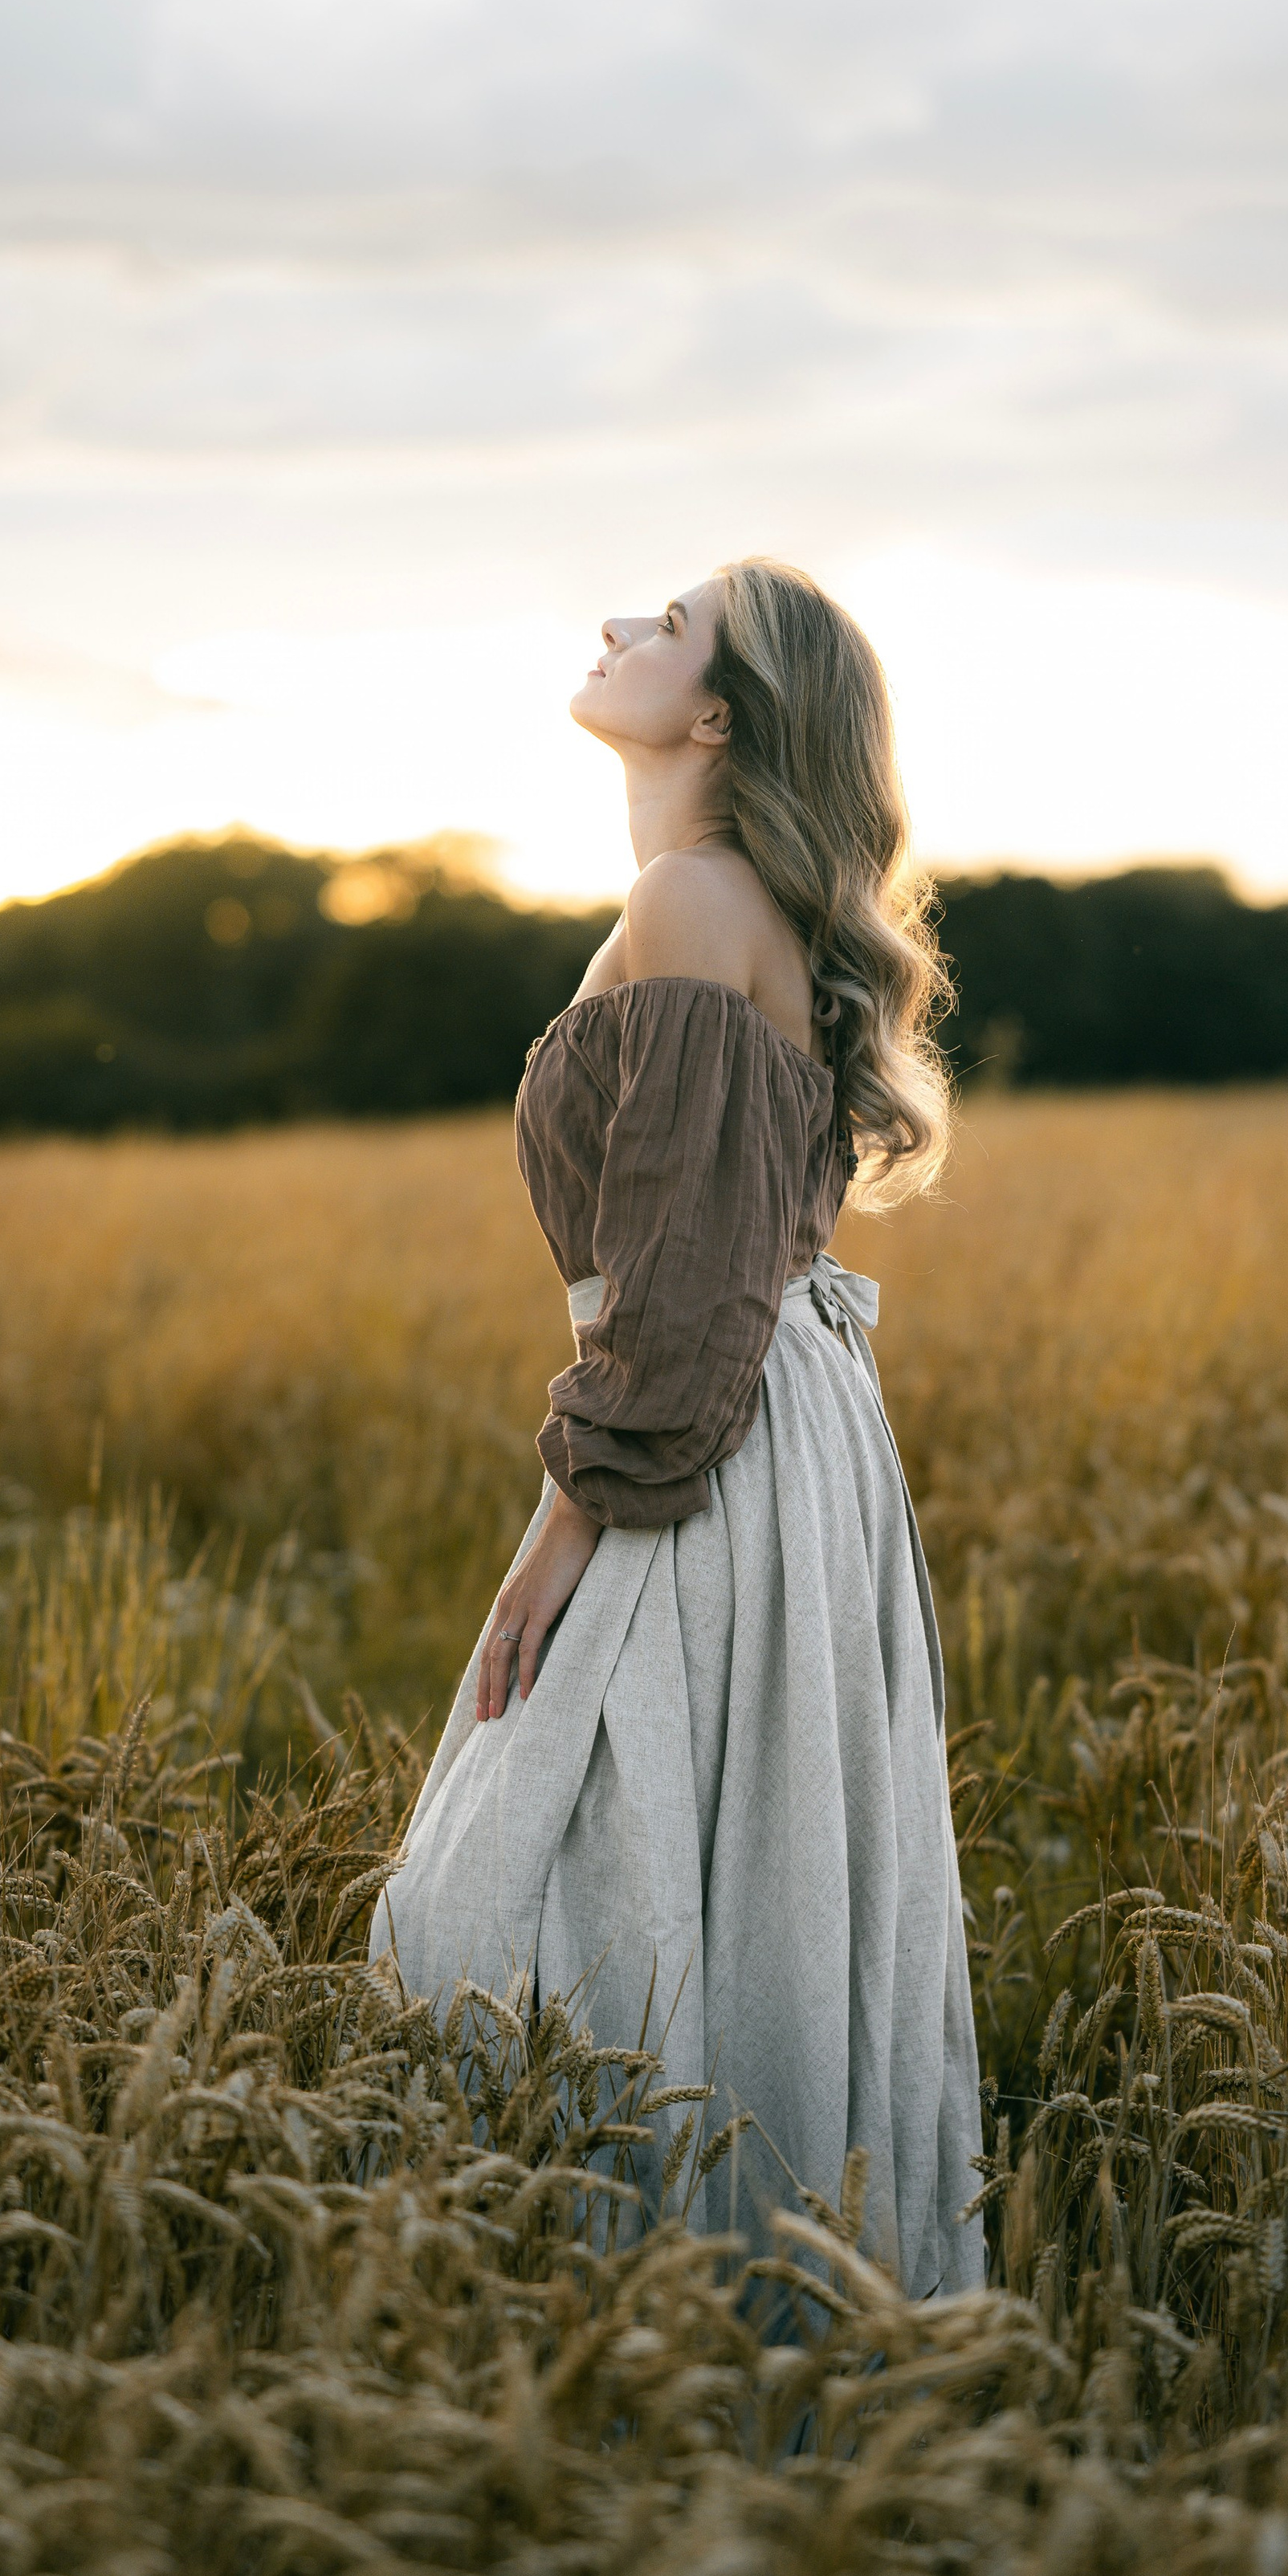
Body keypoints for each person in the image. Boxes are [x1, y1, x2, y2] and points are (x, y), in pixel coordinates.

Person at [370, 559, 984, 2298]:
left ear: (715, 713)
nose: (613, 631)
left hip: (699, 1441)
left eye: (664, 625)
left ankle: (670, 2345)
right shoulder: (697, 900)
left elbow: (687, 1275)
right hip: (742, 1424)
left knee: (497, 1918)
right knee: (669, 1909)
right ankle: (721, 2343)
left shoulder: (699, 904)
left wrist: (560, 1527)